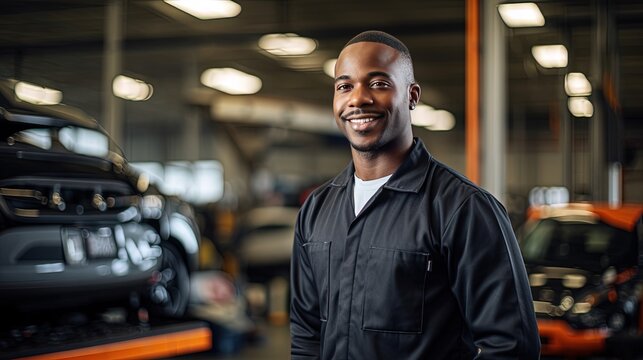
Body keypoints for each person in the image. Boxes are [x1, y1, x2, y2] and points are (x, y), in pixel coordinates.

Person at [289, 30, 540, 359]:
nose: (358, 99)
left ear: (412, 95)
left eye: (378, 83)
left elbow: (512, 347)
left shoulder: (462, 209)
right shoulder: (316, 211)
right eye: (344, 86)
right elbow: (307, 335)